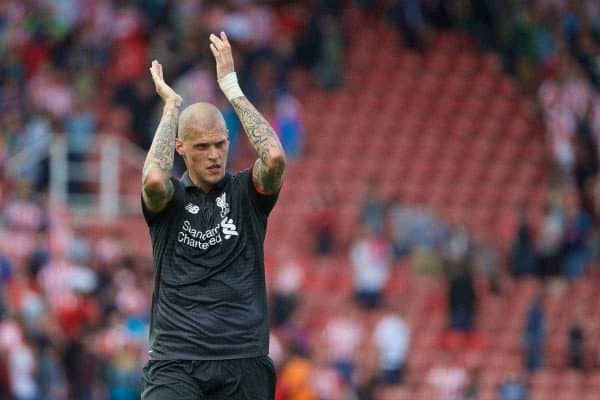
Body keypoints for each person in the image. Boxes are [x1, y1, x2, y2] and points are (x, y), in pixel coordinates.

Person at [140, 32, 286, 400]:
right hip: (176, 361)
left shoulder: (245, 193)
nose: (213, 154)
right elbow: (154, 178)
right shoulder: (169, 200)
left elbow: (274, 160)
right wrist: (172, 108)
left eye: (220, 144)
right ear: (181, 149)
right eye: (202, 147)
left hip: (243, 358)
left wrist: (231, 88)